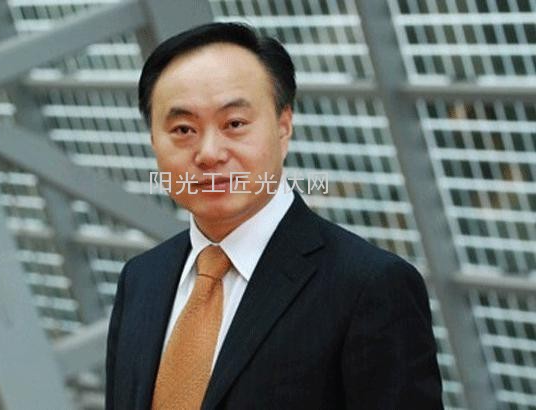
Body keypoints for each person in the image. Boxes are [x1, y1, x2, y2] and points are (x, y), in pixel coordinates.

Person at [105, 22, 443, 410]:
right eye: (183, 129)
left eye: (234, 124)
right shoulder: (141, 279)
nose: (209, 153)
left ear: (284, 128)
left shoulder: (369, 287)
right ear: (153, 140)